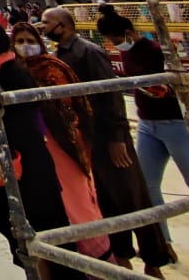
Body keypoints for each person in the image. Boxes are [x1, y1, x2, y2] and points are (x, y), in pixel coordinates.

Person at [41, 6, 171, 276]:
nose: (43, 27)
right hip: (89, 140)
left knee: (132, 197)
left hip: (110, 136)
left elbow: (111, 95)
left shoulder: (88, 52)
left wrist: (116, 138)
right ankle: (122, 254)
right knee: (107, 201)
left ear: (63, 26)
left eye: (47, 23)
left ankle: (154, 258)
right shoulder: (60, 56)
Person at [97, 3, 189, 275]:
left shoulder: (154, 51)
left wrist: (164, 89)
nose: (115, 45)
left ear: (128, 33)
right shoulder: (126, 54)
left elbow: (184, 88)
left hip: (177, 124)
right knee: (148, 187)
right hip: (149, 126)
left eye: (116, 39)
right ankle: (164, 244)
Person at [0, 19, 82, 280]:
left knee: (39, 224)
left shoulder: (11, 71)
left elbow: (24, 121)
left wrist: (4, 153)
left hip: (25, 160)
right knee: (10, 222)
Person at [11, 21, 112, 262]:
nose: (25, 46)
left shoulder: (54, 67)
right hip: (35, 147)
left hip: (63, 144)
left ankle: (100, 259)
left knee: (78, 202)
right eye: (20, 41)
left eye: (31, 41)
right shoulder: (13, 71)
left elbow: (75, 108)